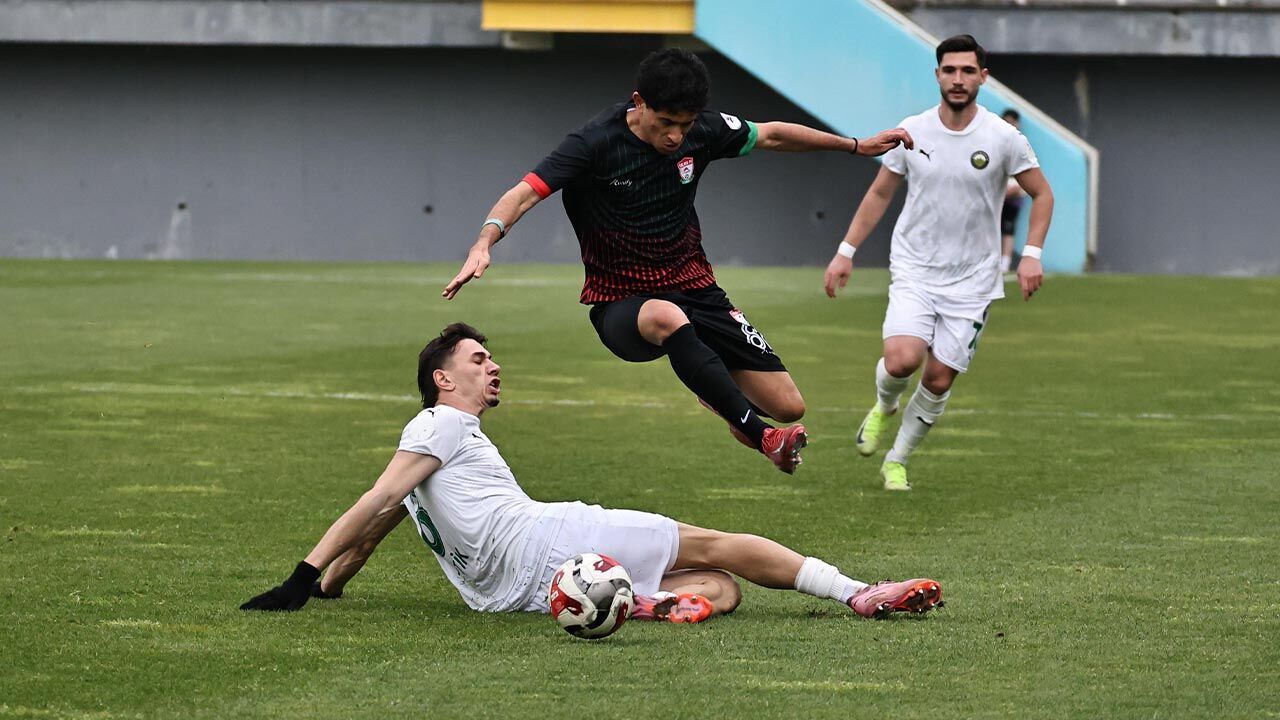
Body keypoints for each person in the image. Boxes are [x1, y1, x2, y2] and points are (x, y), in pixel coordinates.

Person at [240, 323, 944, 623]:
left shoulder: (429, 457)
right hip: (547, 539)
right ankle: (858, 593)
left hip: (510, 595)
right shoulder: (440, 424)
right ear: (442, 380)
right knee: (720, 544)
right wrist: (300, 578)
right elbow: (376, 500)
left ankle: (645, 605)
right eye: (478, 359)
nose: (493, 366)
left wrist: (327, 587)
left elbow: (374, 528)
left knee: (721, 589)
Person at [441, 48, 914, 474]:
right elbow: (524, 193)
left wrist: (857, 146)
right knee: (670, 319)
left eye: (684, 125)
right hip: (622, 303)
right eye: (666, 122)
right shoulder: (594, 143)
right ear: (639, 102)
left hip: (696, 287)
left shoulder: (702, 130)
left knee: (789, 405)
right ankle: (764, 438)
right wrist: (485, 241)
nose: (675, 136)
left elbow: (771, 135)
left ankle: (716, 392)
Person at [822, 35, 1055, 491]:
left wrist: (1031, 255)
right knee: (901, 360)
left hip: (973, 279)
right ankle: (885, 405)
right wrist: (846, 251)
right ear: (937, 75)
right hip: (915, 267)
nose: (958, 79)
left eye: (968, 71)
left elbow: (1042, 193)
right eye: (950, 70)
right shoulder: (912, 130)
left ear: (983, 78)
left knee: (939, 378)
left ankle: (897, 460)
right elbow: (880, 193)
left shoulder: (1004, 138)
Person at [999, 109, 1025, 273]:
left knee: (1008, 228)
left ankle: (1005, 262)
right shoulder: (994, 142)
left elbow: (1026, 173)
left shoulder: (1021, 145)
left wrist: (1016, 188)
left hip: (1013, 198)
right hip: (996, 196)